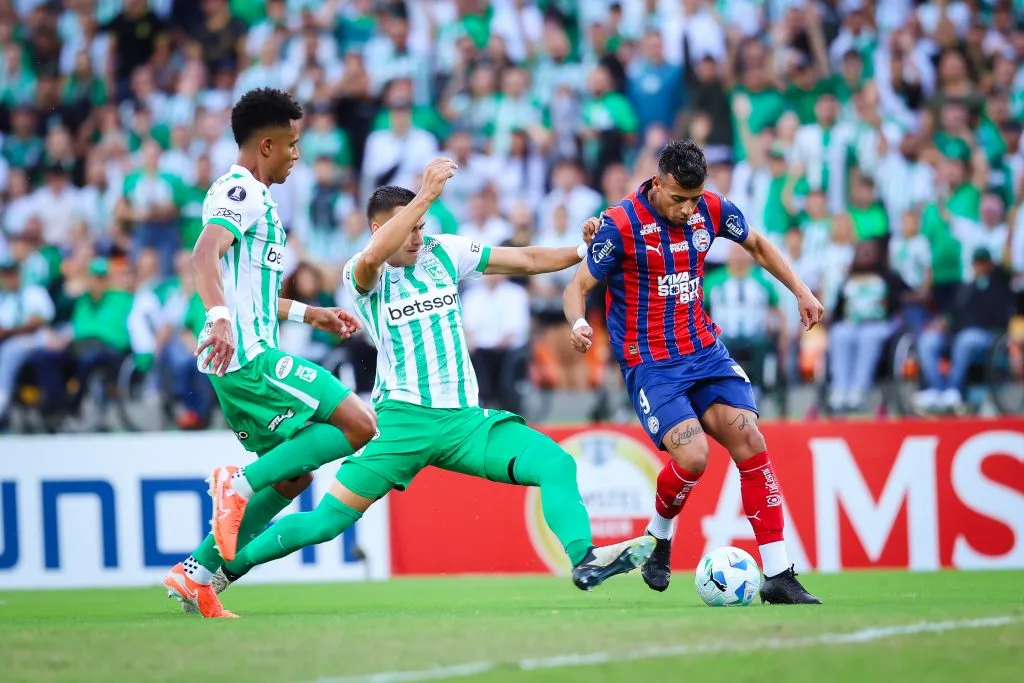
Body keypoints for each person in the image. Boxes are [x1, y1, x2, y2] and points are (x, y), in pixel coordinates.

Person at [206, 182, 657, 613]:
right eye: (410, 226)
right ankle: (223, 573)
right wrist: (425, 195)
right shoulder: (363, 271)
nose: (419, 235)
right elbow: (372, 260)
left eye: (422, 225)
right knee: (325, 524)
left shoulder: (444, 251)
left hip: (464, 422)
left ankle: (584, 560)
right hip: (401, 423)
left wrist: (584, 250)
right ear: (381, 230)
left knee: (556, 464)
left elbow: (531, 258)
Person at [563, 139, 823, 604]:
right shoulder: (620, 224)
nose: (689, 209)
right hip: (653, 364)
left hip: (705, 352)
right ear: (658, 182)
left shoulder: (711, 209)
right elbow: (578, 284)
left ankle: (780, 572)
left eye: (695, 198)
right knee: (695, 457)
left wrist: (800, 290)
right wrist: (579, 321)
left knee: (752, 441)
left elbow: (759, 245)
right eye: (679, 198)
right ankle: (660, 539)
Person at [162, 88, 376, 618]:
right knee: (359, 424)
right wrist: (216, 317)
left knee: (293, 475)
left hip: (242, 359)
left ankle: (198, 572)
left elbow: (248, 291)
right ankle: (235, 483)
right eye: (292, 144)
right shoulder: (242, 192)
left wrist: (310, 313)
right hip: (251, 359)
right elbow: (203, 254)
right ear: (265, 145)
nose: (297, 154)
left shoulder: (254, 199)